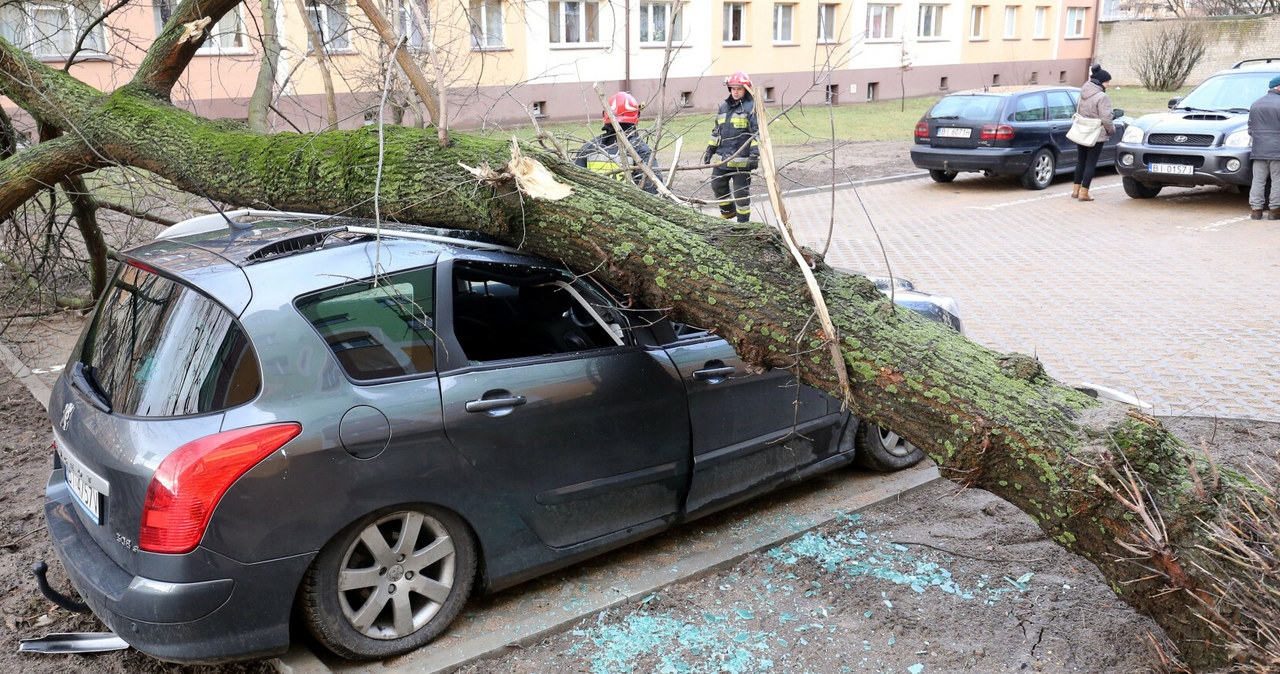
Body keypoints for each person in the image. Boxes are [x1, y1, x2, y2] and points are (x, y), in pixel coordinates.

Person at [574, 91, 661, 194]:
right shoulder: (641, 150)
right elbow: (652, 190)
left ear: (604, 115)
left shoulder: (587, 149)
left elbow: (576, 187)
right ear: (637, 115)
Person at [702, 71, 760, 222]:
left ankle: (742, 224)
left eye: (739, 89)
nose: (735, 91)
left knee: (741, 195)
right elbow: (717, 131)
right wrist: (710, 149)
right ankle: (728, 214)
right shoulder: (724, 107)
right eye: (733, 88)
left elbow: (757, 134)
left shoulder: (751, 108)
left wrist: (754, 155)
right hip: (722, 159)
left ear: (745, 89)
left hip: (741, 162)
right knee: (717, 185)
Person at [1072, 64, 1116, 202]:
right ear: (1100, 82)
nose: (1108, 84)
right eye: (1107, 82)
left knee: (1081, 161)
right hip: (1096, 133)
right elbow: (1106, 118)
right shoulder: (1102, 97)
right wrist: (1111, 130)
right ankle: (1084, 193)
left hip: (1082, 131)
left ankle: (1075, 190)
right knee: (1090, 163)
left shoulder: (1083, 92)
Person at [1247, 75, 1280, 219]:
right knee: (1277, 180)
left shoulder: (1255, 104)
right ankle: (1274, 211)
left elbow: (1250, 129)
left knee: (1258, 180)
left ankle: (1256, 210)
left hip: (1258, 149)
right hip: (1277, 151)